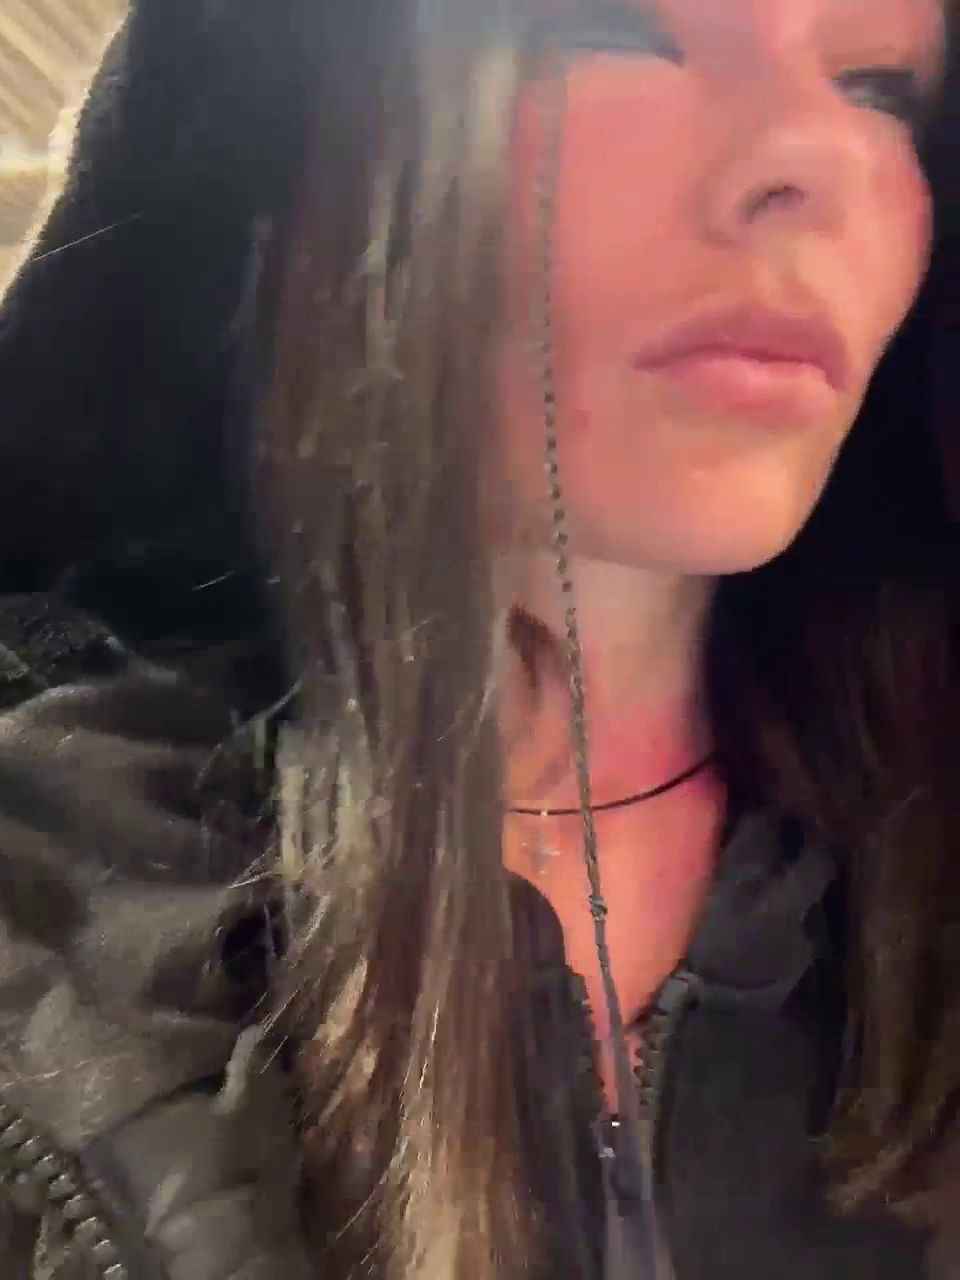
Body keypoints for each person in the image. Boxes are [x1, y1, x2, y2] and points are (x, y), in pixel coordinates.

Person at [0, 0, 955, 1277]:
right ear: (307, 145)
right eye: (616, 32)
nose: (816, 160)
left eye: (884, 90)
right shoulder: (49, 907)